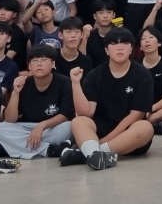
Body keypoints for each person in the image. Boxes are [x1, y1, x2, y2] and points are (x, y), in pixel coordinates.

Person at [63, 28, 156, 169]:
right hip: (100, 129)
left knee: (146, 127)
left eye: (125, 43)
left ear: (132, 49)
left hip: (129, 135)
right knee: (78, 121)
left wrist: (106, 141)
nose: (120, 47)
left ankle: (91, 153)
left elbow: (136, 115)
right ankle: (97, 155)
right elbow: (86, 112)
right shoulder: (94, 75)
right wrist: (75, 84)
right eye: (113, 43)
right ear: (106, 50)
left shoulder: (143, 74)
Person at [0, 45, 74, 159]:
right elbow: (10, 119)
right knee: (0, 128)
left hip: (50, 127)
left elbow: (65, 115)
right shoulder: (23, 83)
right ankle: (48, 150)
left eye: (44, 60)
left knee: (69, 127)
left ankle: (9, 148)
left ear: (53, 64)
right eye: (35, 61)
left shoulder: (64, 82)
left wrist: (42, 126)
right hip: (25, 127)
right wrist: (16, 92)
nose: (39, 64)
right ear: (30, 66)